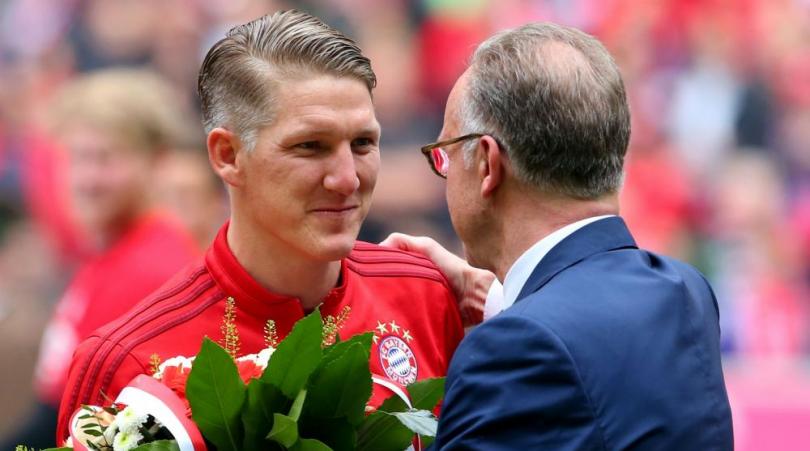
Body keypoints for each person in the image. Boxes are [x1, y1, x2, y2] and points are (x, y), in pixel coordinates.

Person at [55, 10, 465, 445]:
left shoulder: (427, 296)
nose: (347, 178)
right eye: (311, 146)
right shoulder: (126, 359)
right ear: (227, 155)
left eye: (363, 143)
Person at [386, 23, 734, 449]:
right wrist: (497, 301)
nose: (445, 173)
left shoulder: (512, 352)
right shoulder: (685, 292)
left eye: (446, 154)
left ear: (487, 165)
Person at [2, 69, 202, 450]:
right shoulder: (113, 254)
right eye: (76, 158)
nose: (86, 179)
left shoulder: (148, 269)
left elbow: (81, 424)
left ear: (157, 162)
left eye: (105, 158)